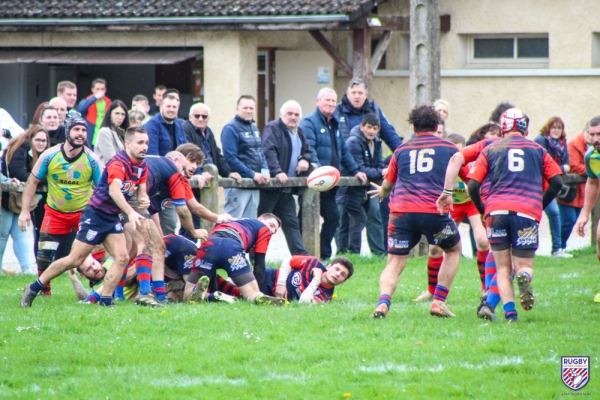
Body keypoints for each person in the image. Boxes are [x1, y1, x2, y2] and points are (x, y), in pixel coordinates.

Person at [20, 126, 149, 308]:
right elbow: (114, 190)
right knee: (75, 260)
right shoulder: (119, 162)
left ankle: (106, 301)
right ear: (128, 144)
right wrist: (130, 212)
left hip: (111, 218)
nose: (145, 147)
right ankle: (34, 288)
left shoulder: (141, 165)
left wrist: (144, 200)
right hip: (96, 215)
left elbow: (142, 192)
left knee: (122, 258)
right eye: (140, 142)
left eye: (147, 143)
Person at [468, 108, 563, 323]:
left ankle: (510, 314)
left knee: (502, 268)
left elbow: (473, 185)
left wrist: (484, 209)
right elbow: (557, 181)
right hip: (526, 212)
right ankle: (525, 277)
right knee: (524, 266)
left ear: (502, 128)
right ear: (526, 128)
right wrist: (539, 204)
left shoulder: (491, 149)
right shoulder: (538, 149)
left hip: (496, 211)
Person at [368, 105, 462, 319]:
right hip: (433, 211)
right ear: (437, 125)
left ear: (414, 125)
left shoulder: (401, 150)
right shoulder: (449, 148)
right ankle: (438, 301)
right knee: (453, 250)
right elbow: (464, 175)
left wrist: (382, 191)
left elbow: (388, 183)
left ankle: (383, 303)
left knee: (395, 261)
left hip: (402, 213)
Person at [18, 117, 102, 295]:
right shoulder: (49, 156)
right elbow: (32, 183)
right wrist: (25, 211)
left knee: (99, 246)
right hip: (55, 213)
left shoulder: (92, 159)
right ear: (67, 132)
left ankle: (102, 286)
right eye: (76, 130)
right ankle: (44, 290)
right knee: (44, 255)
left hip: (84, 213)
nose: (80, 134)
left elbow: (102, 188)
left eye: (83, 130)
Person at [414, 133, 490, 302]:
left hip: (471, 204)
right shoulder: (440, 165)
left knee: (483, 241)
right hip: (450, 205)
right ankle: (430, 291)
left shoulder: (469, 164)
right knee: (435, 248)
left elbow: (477, 184)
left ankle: (486, 288)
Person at [299, 88, 367, 259]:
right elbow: (309, 149)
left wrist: (356, 171)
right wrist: (320, 172)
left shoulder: (335, 123)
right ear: (317, 101)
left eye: (332, 101)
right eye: (326, 100)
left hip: (330, 184)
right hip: (314, 183)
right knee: (305, 219)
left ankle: (323, 253)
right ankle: (303, 254)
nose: (330, 104)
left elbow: (343, 151)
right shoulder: (309, 122)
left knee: (333, 218)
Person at [182, 214, 287, 306]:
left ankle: (211, 296)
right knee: (251, 294)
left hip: (209, 247)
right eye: (271, 225)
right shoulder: (263, 228)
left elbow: (212, 269)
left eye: (275, 231)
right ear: (260, 219)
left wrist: (214, 289)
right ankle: (258, 298)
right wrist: (260, 291)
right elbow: (259, 265)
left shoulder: (226, 220)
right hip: (232, 248)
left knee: (187, 293)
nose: (272, 231)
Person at [258, 100, 311, 256]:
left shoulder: (299, 132)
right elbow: (269, 151)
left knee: (291, 224)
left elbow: (308, 150)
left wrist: (305, 159)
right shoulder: (272, 128)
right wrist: (277, 171)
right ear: (281, 114)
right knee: (261, 224)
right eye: (289, 113)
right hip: (271, 188)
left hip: (286, 190)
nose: (293, 117)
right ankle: (255, 258)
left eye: (296, 114)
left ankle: (302, 258)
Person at [0, 126, 49, 275]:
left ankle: (27, 268)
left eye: (44, 141)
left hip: (19, 198)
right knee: (3, 233)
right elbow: (19, 173)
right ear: (30, 139)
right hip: (7, 196)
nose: (41, 143)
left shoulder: (36, 152)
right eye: (38, 140)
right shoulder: (19, 149)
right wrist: (45, 179)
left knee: (20, 233)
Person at [337, 113, 387, 255]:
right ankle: (350, 253)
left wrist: (380, 170)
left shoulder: (377, 142)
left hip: (364, 188)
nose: (371, 131)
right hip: (349, 188)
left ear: (379, 129)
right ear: (362, 127)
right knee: (351, 221)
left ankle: (350, 254)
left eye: (375, 128)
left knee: (354, 221)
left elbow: (378, 164)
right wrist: (382, 171)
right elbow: (359, 168)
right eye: (369, 127)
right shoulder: (353, 142)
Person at [222, 95, 269, 219]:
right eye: (245, 108)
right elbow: (230, 158)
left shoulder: (254, 128)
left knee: (249, 225)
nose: (248, 111)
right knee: (232, 223)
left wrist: (265, 171)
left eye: (251, 108)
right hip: (239, 184)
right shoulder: (230, 128)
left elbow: (260, 151)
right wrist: (253, 174)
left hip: (254, 184)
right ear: (237, 109)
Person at [535, 117, 572, 258]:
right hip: (536, 187)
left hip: (549, 188)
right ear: (548, 128)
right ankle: (527, 248)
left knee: (555, 214)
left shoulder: (562, 143)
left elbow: (568, 165)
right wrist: (561, 168)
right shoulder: (540, 141)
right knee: (532, 217)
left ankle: (557, 249)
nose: (556, 131)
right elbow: (545, 166)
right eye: (554, 127)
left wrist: (559, 168)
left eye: (559, 128)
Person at [333, 79, 402, 151]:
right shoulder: (336, 111)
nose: (357, 96)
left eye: (360, 93)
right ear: (347, 94)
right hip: (344, 159)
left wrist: (403, 153)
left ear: (366, 95)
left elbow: (390, 135)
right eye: (353, 93)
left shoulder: (375, 110)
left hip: (370, 159)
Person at [575, 116, 600, 302]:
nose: (596, 139)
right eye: (592, 135)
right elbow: (593, 183)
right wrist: (584, 214)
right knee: (599, 237)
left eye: (599, 134)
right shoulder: (591, 156)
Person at [262, 255, 354, 303]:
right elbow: (289, 261)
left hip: (274, 297)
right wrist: (281, 284)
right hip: (271, 276)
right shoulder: (313, 262)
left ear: (343, 281)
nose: (337, 274)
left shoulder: (326, 297)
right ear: (329, 266)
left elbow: (304, 302)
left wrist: (316, 279)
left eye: (342, 274)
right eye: (336, 269)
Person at [558, 123, 592, 250]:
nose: (593, 137)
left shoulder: (593, 146)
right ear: (585, 132)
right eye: (590, 134)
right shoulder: (574, 144)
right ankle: (558, 247)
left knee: (572, 220)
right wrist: (592, 169)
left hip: (581, 191)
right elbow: (573, 166)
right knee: (568, 220)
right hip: (569, 190)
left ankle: (561, 247)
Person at [77, 78, 111, 147]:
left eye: (102, 89)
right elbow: (80, 109)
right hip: (91, 137)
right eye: (97, 89)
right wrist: (95, 97)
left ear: (105, 90)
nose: (100, 91)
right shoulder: (87, 101)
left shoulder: (109, 103)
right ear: (92, 89)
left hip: (103, 137)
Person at [94, 100, 129, 166]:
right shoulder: (104, 132)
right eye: (117, 113)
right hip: (108, 172)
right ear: (110, 114)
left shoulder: (123, 133)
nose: (120, 117)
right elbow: (111, 159)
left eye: (123, 114)